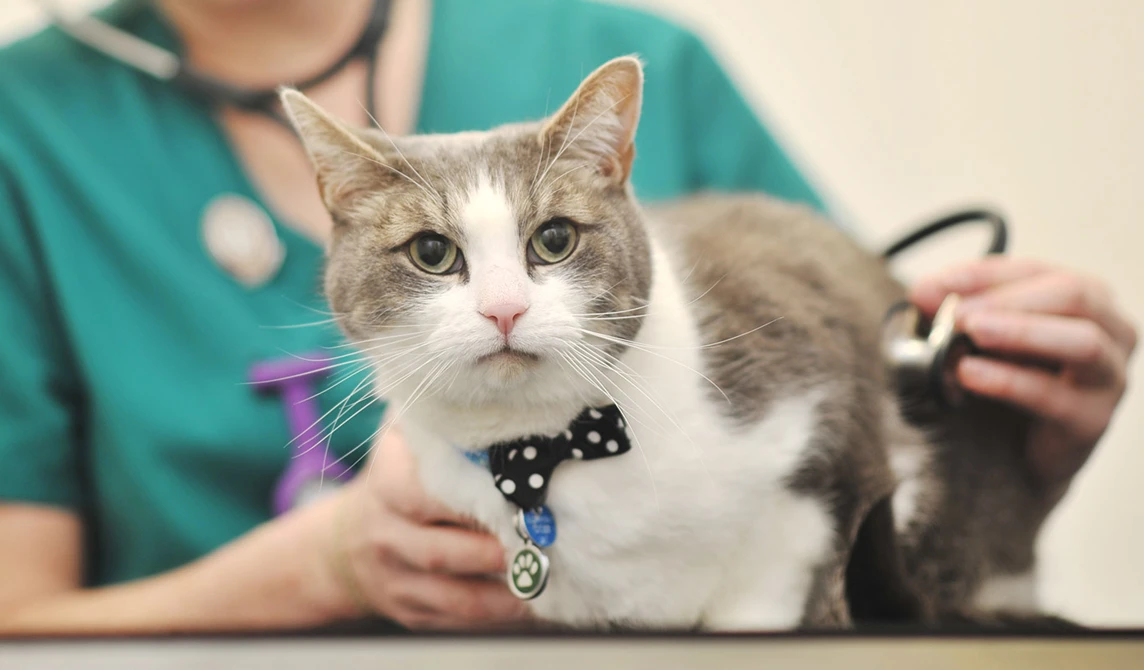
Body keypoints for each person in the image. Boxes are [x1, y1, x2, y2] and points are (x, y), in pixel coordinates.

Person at [0, 0, 1134, 634]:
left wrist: (1013, 429)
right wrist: (322, 570)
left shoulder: (622, 55)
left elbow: (858, 439)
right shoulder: (28, 131)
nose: (501, 302)